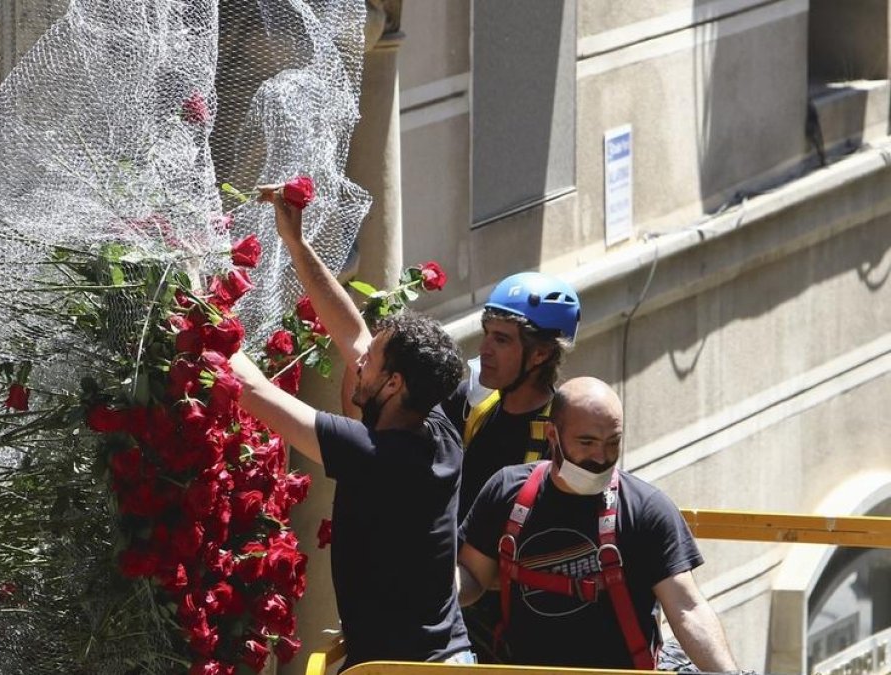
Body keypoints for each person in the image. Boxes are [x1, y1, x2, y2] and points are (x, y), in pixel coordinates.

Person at [227, 184, 474, 668]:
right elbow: (353, 334)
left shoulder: (375, 456)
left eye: (370, 363)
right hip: (447, 660)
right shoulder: (436, 427)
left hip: (406, 670)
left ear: (393, 383)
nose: (358, 362)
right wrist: (296, 243)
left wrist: (196, 302)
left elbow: (253, 391)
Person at [455, 377, 739, 672]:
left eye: (612, 442)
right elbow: (473, 576)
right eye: (587, 442)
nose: (601, 457)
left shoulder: (646, 510)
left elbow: (687, 608)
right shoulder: (508, 493)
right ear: (552, 435)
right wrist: (427, 591)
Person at [440, 271, 580, 660]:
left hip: (521, 633)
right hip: (462, 611)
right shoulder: (481, 409)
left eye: (501, 340)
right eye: (486, 333)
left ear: (541, 354)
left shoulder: (561, 436)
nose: (484, 348)